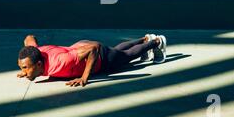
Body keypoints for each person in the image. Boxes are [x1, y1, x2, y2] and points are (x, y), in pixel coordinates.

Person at [17, 34, 167, 87]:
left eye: (25, 68)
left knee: (126, 56)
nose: (23, 71)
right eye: (22, 67)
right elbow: (29, 38)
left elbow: (93, 48)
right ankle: (145, 38)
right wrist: (29, 71)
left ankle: (157, 42)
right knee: (117, 50)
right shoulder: (35, 52)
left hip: (100, 57)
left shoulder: (60, 62)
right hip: (80, 47)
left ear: (38, 64)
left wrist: (84, 77)